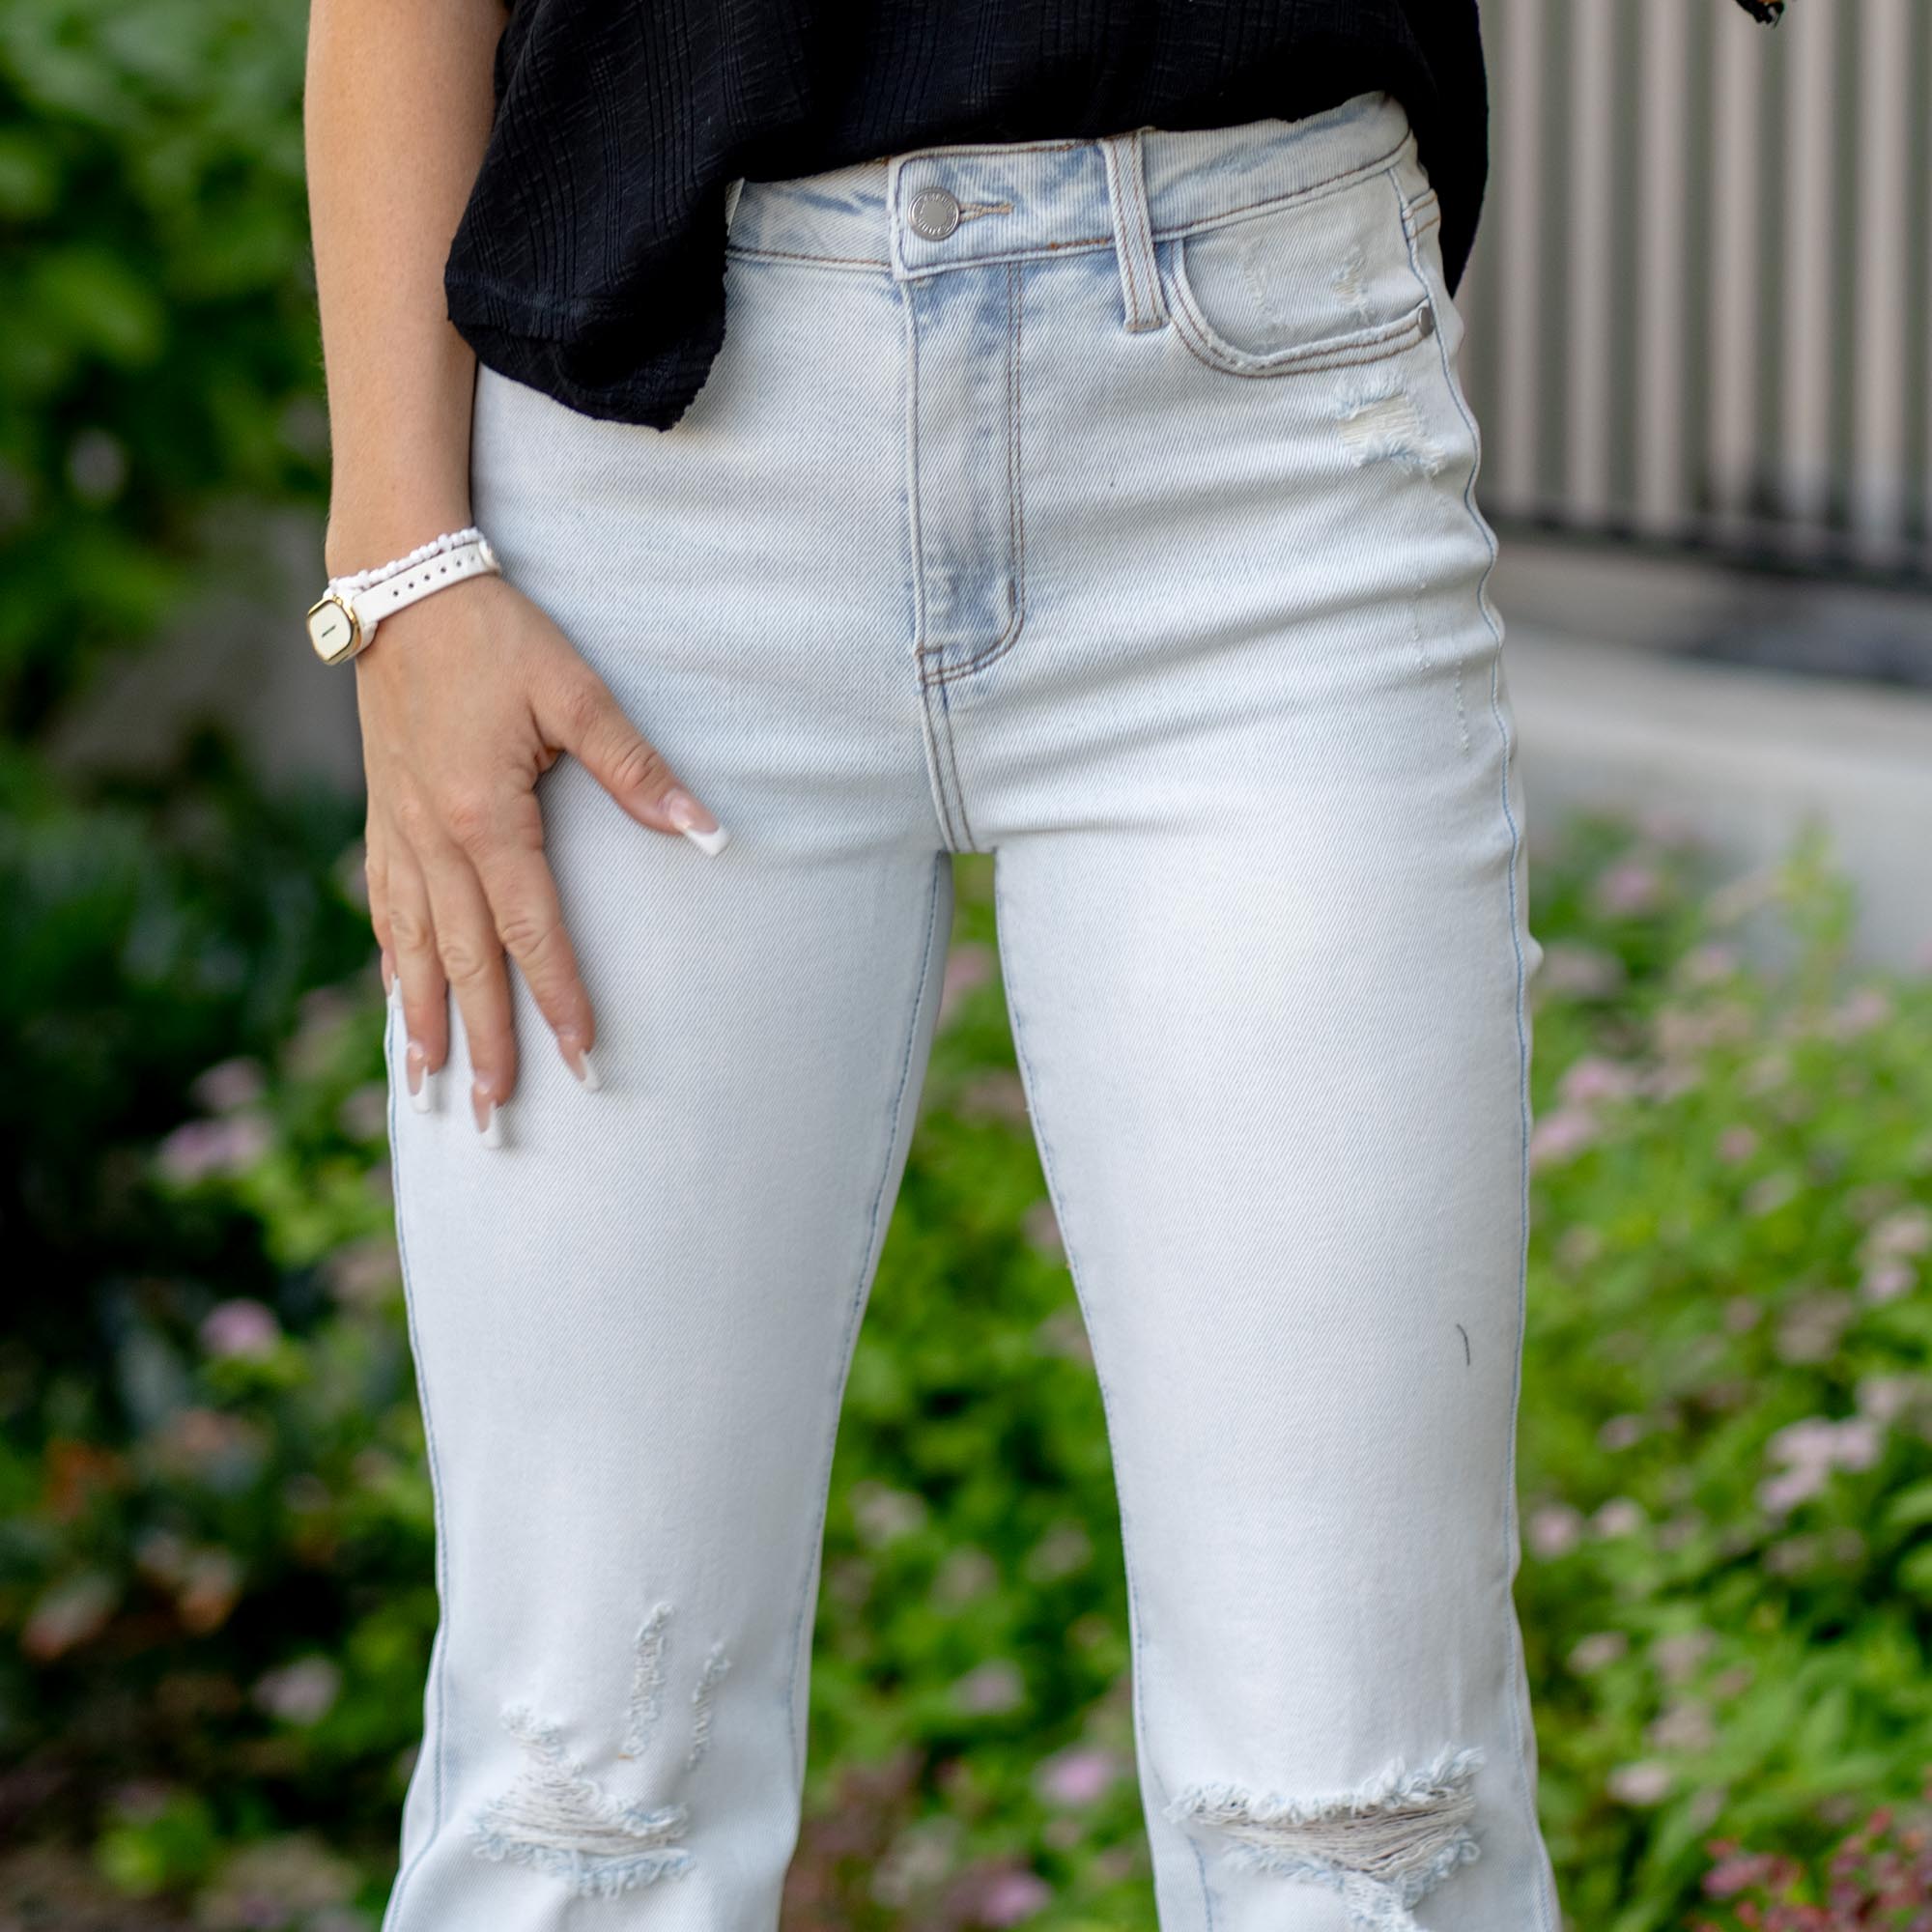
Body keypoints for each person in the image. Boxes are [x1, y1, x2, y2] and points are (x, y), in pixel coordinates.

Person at [299, 2, 1777, 1924]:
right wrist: (402, 563)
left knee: (1363, 1817)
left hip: (1254, 453)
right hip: (640, 500)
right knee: (580, 1794)